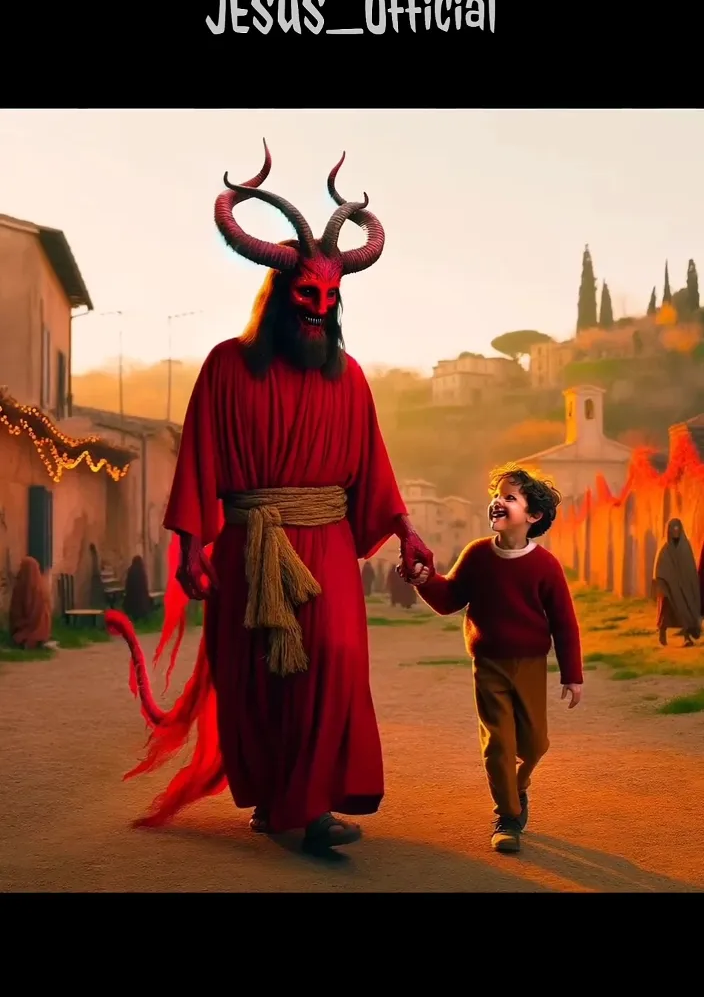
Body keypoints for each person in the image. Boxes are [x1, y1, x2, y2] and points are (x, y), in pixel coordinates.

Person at [105, 140, 433, 854]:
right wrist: (193, 543)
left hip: (328, 551)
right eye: (306, 297)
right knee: (262, 683)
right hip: (251, 547)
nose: (317, 309)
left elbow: (372, 466)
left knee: (337, 661)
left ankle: (309, 806)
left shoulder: (349, 381)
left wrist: (405, 530)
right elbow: (201, 455)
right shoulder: (227, 366)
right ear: (280, 298)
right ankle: (287, 804)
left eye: (328, 299)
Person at [398, 464, 583, 854]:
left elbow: (564, 621)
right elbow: (449, 599)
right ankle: (508, 817)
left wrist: (573, 674)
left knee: (534, 745)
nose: (498, 502)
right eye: (497, 495)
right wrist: (424, 581)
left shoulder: (545, 566)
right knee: (498, 743)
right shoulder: (478, 554)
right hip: (489, 665)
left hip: (530, 663)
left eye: (510, 497)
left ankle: (519, 786)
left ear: (533, 516)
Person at [654, 518, 701, 647]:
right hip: (668, 587)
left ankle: (687, 637)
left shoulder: (685, 547)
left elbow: (690, 567)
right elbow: (659, 568)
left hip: (683, 587)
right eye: (673, 528)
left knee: (684, 608)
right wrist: (663, 584)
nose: (675, 531)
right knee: (666, 610)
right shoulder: (664, 547)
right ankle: (662, 632)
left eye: (677, 528)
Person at [9, 556, 52, 650]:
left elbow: (16, 612)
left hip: (25, 626)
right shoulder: (42, 587)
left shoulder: (21, 588)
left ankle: (28, 638)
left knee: (20, 634)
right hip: (41, 629)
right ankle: (38, 637)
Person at [123, 555, 152, 623]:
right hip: (141, 598)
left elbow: (127, 584)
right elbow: (144, 585)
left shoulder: (131, 570)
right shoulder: (141, 571)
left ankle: (134, 617)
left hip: (132, 597)